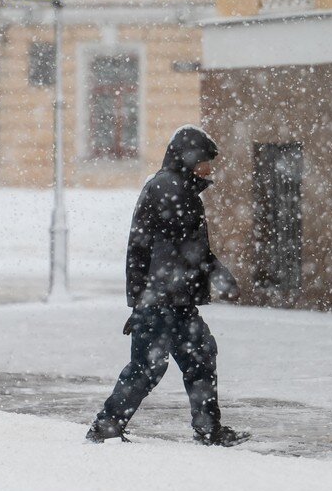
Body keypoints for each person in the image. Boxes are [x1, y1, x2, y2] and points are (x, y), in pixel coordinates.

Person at [86, 125, 250, 447]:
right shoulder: (170, 190)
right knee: (148, 367)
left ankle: (208, 429)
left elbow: (149, 249)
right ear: (189, 158)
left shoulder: (176, 187)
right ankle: (106, 425)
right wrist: (217, 278)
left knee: (199, 357)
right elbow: (175, 251)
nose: (209, 168)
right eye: (205, 160)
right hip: (165, 299)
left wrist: (142, 300)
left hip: (171, 299)